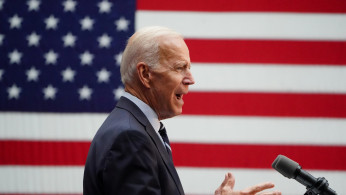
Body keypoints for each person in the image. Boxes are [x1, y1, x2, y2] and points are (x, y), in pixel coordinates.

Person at [83, 26, 281, 195]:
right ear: (145, 74)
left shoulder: (132, 127)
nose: (190, 79)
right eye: (180, 68)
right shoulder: (130, 137)